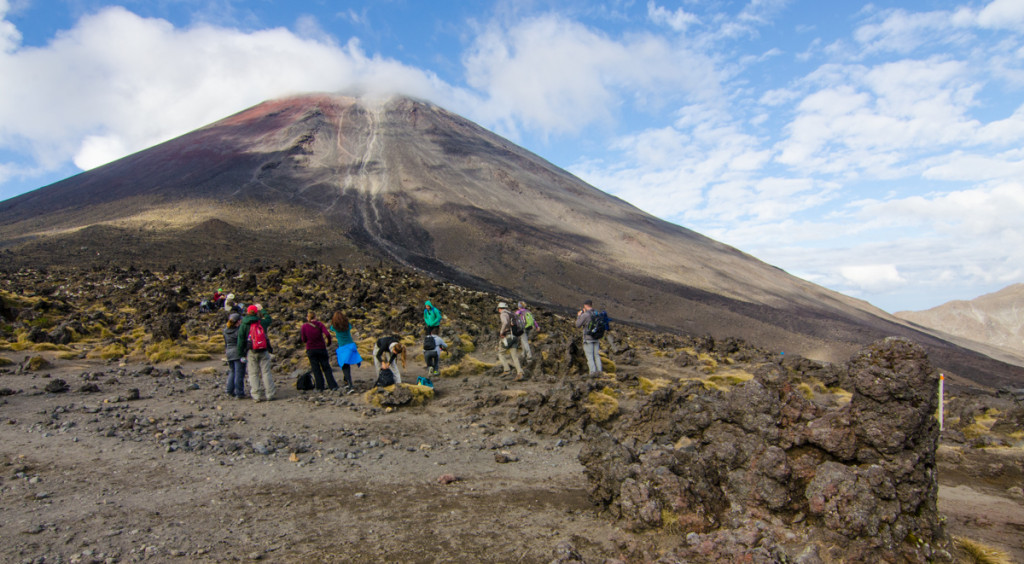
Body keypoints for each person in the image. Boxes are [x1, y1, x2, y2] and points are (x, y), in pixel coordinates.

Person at [237, 304, 275, 402]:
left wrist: (241, 354)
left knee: (253, 373)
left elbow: (241, 340)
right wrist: (263, 310)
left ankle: (256, 395)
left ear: (248, 312)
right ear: (257, 312)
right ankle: (270, 394)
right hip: (263, 349)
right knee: (266, 372)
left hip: (251, 351)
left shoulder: (244, 324)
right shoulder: (261, 322)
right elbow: (269, 319)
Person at [301, 311, 337, 392]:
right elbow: (327, 334)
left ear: (308, 317)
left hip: (311, 349)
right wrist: (329, 342)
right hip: (321, 348)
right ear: (315, 317)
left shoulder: (304, 326)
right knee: (326, 367)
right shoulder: (320, 324)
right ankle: (332, 385)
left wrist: (308, 340)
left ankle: (319, 387)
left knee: (316, 368)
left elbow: (303, 339)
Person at [330, 311, 361, 394]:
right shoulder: (347, 325)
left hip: (343, 347)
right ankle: (347, 382)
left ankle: (350, 385)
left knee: (344, 366)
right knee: (346, 365)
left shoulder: (334, 326)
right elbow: (350, 327)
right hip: (351, 345)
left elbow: (331, 328)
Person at [496, 302, 525, 380]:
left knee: (501, 353)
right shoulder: (511, 314)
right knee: (514, 356)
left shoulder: (503, 314)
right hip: (515, 337)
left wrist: (501, 332)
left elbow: (505, 322)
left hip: (508, 336)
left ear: (499, 308)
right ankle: (520, 372)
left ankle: (506, 370)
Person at [575, 299, 602, 375]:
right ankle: (599, 371)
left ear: (585, 305)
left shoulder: (585, 315)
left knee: (590, 356)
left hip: (588, 338)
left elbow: (577, 325)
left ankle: (593, 372)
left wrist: (579, 316)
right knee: (596, 355)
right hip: (596, 337)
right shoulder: (597, 313)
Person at [223, 313, 245, 398]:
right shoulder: (238, 331)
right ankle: (239, 392)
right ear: (238, 321)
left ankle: (229, 390)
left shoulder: (225, 330)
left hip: (229, 352)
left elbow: (226, 343)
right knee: (239, 373)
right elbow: (241, 342)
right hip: (237, 353)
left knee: (232, 371)